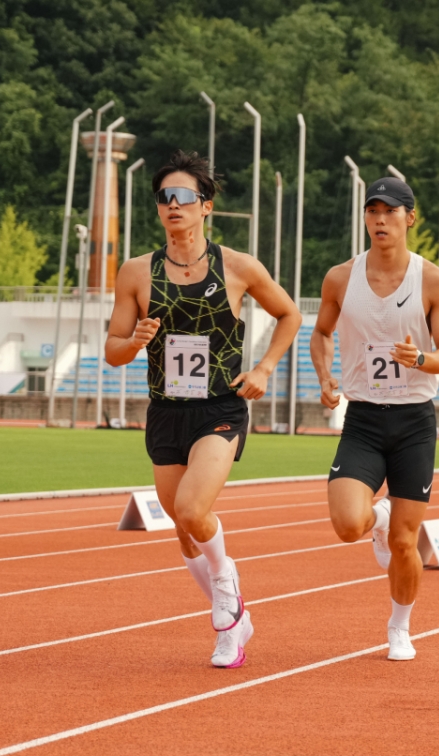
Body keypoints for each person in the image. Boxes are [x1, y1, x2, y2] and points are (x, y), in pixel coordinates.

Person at [105, 151, 302, 668]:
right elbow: (113, 350)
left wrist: (262, 370)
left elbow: (289, 314)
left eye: (184, 197)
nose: (173, 205)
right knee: (184, 530)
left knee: (194, 509)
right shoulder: (135, 272)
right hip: (166, 409)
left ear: (205, 207)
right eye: (165, 198)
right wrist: (135, 341)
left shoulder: (236, 266)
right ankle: (233, 629)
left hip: (221, 405)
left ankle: (225, 588)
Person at [310, 176, 439, 662]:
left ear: (409, 218)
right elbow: (322, 332)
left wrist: (420, 359)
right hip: (365, 419)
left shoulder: (433, 281)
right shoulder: (340, 277)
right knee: (348, 523)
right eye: (372, 211)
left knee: (405, 543)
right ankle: (379, 514)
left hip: (415, 421)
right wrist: (326, 377)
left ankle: (400, 626)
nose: (380, 220)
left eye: (390, 212)